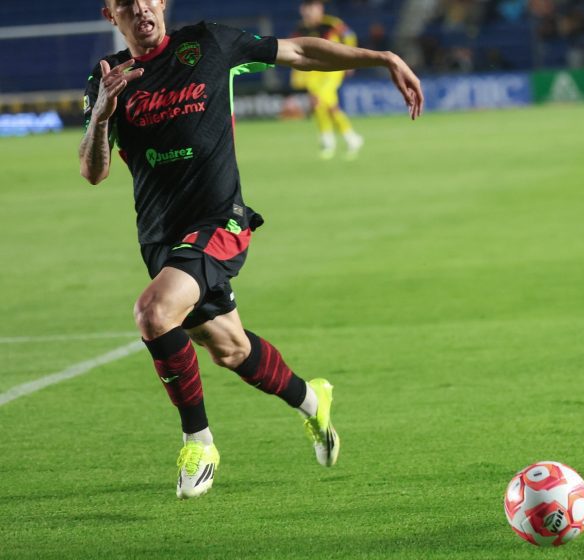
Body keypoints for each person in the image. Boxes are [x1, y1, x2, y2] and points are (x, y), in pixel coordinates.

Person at [79, 0, 423, 499]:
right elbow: (94, 171)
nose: (140, 8)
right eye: (126, 4)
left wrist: (382, 56)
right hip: (160, 237)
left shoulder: (209, 44)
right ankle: (312, 401)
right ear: (111, 14)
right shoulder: (108, 77)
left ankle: (200, 444)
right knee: (231, 349)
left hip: (220, 221)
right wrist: (102, 118)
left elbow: (301, 51)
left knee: (154, 313)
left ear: (162, 3)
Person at [292, 0, 364, 160]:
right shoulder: (300, 28)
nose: (310, 12)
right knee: (322, 105)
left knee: (321, 99)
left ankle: (333, 140)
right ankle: (345, 138)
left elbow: (349, 36)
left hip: (332, 69)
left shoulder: (331, 24)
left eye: (313, 8)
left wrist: (351, 58)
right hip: (313, 71)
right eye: (307, 8)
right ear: (302, 10)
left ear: (320, 9)